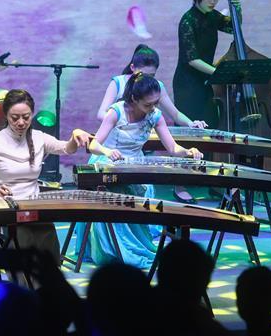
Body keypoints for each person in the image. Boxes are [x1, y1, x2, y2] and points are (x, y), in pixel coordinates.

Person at [83, 73, 202, 269]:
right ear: (134, 99)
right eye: (148, 104)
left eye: (155, 103)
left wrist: (188, 151)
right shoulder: (117, 112)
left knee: (139, 198)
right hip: (108, 162)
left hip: (135, 164)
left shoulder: (155, 115)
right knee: (115, 197)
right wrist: (107, 151)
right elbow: (94, 144)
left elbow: (173, 148)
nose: (153, 108)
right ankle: (115, 251)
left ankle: (134, 247)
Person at [0, 89, 92, 261]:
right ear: (6, 115)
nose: (21, 122)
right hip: (6, 211)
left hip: (34, 210)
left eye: (26, 117)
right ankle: (21, 276)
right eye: (15, 118)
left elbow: (67, 149)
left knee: (49, 244)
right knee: (21, 245)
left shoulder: (39, 138)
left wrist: (76, 135)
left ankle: (46, 277)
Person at [96, 43, 206, 203]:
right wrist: (120, 121)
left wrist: (190, 127)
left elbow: (174, 116)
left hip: (135, 155)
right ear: (133, 68)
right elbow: (101, 115)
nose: (148, 79)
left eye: (152, 75)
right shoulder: (118, 92)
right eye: (144, 74)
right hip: (112, 152)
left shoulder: (154, 95)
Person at [173, 0, 241, 131]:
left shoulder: (213, 16)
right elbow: (192, 59)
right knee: (191, 129)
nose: (213, 1)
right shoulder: (188, 21)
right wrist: (219, 73)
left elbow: (234, 28)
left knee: (211, 125)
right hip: (188, 84)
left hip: (206, 81)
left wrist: (237, 9)